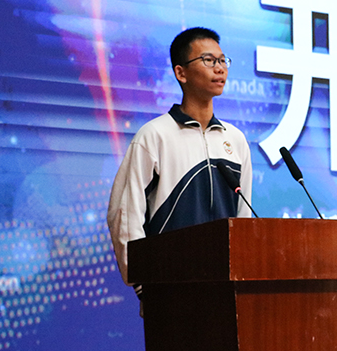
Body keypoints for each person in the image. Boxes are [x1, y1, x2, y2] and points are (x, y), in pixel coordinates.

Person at [106, 27, 253, 302]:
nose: (220, 68)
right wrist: (143, 285)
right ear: (180, 73)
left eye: (223, 60)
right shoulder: (154, 136)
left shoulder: (235, 140)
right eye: (208, 60)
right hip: (169, 293)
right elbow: (124, 214)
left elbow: (242, 219)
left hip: (225, 293)